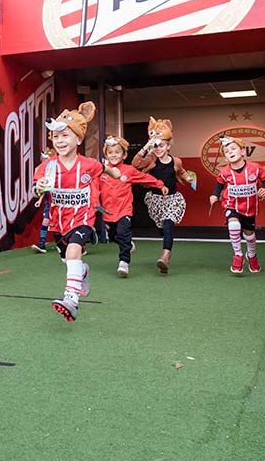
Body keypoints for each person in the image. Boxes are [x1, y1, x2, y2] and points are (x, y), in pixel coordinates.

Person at [33, 101, 123, 322]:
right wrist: (39, 188)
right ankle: (82, 272)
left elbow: (106, 169)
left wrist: (116, 174)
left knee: (74, 251)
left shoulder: (89, 164)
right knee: (67, 258)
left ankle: (71, 300)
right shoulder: (47, 167)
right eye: (56, 137)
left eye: (65, 136)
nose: (60, 141)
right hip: (58, 221)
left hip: (83, 217)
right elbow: (37, 190)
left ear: (78, 139)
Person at [131, 117, 195, 275]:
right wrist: (147, 145)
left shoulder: (176, 161)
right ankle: (166, 240)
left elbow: (181, 172)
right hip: (155, 200)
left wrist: (188, 178)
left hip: (173, 199)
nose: (158, 148)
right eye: (155, 146)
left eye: (161, 145)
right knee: (162, 228)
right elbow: (135, 164)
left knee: (168, 224)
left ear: (168, 146)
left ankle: (165, 256)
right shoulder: (150, 160)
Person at [100, 135, 167, 277]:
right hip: (107, 212)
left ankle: (124, 263)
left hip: (124, 210)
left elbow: (144, 178)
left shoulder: (129, 170)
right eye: (110, 152)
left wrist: (160, 184)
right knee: (113, 236)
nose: (114, 155)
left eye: (117, 152)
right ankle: (128, 244)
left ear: (124, 155)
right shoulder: (102, 171)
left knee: (122, 233)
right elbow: (94, 187)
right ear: (106, 154)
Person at [209, 135, 265, 274]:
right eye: (227, 151)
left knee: (249, 235)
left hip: (249, 208)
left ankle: (252, 255)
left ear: (243, 152)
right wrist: (214, 195)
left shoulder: (255, 168)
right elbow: (218, 186)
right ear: (225, 158)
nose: (230, 152)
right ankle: (238, 255)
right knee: (234, 225)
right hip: (231, 205)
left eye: (233, 149)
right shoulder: (224, 172)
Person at [31, 144, 54, 254]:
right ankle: (42, 243)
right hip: (49, 199)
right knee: (46, 220)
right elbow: (43, 189)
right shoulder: (41, 171)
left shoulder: (58, 168)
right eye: (44, 158)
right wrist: (39, 199)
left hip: (64, 200)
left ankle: (80, 243)